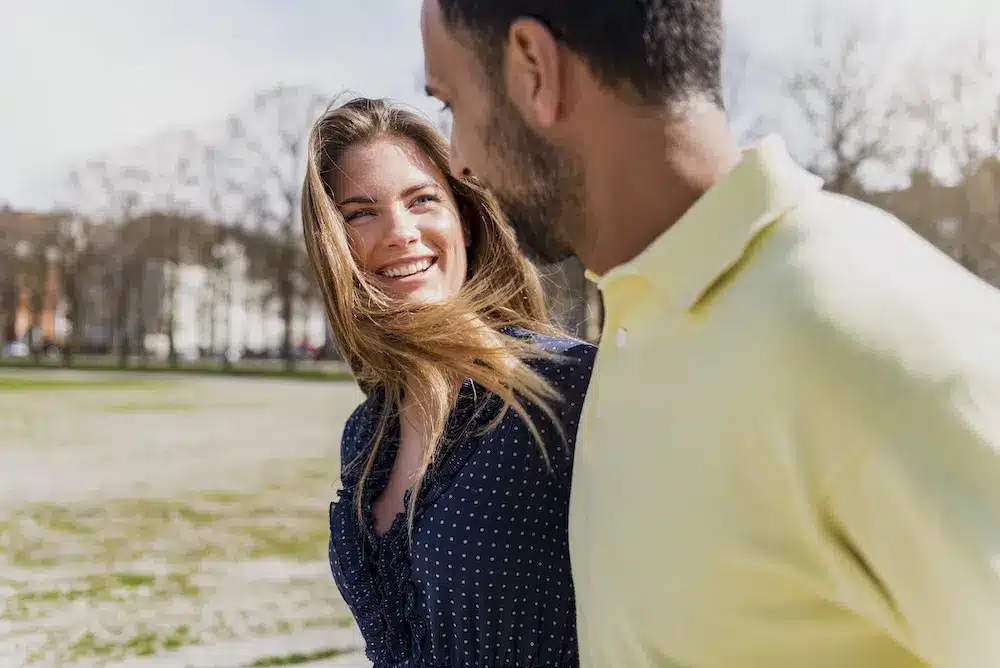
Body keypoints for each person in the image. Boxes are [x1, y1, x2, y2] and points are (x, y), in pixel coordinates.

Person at [421, 2, 1000, 667]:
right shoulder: (640, 320)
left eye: (451, 103)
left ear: (532, 70)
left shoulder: (879, 337)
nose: (458, 160)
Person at [301, 96, 595, 668]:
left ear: (465, 215)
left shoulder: (568, 388)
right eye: (360, 213)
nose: (400, 231)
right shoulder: (367, 435)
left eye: (422, 200)